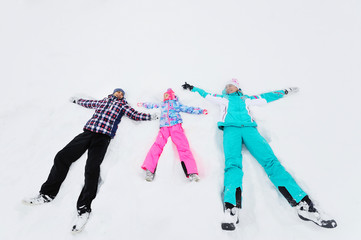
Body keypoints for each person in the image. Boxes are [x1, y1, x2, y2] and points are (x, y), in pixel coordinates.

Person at [182, 79, 337, 230]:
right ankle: (231, 208)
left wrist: (285, 91)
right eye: (227, 86)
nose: (228, 88)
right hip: (230, 130)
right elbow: (206, 95)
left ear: (238, 88)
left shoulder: (247, 99)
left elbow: (267, 96)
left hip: (250, 130)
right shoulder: (223, 99)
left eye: (232, 86)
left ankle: (303, 205)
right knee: (232, 165)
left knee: (271, 162)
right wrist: (193, 88)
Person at [23, 88, 158, 232]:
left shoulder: (122, 106)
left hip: (103, 138)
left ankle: (84, 208)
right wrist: (77, 100)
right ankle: (47, 194)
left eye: (121, 93)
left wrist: (150, 117)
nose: (119, 94)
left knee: (92, 168)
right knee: (62, 156)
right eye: (117, 92)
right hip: (87, 133)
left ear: (123, 97)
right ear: (112, 93)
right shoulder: (103, 101)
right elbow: (89, 103)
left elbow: (135, 115)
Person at [138, 88, 207, 182]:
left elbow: (188, 109)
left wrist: (201, 111)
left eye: (167, 95)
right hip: (164, 127)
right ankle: (149, 170)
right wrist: (143, 104)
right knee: (157, 145)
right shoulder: (162, 104)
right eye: (164, 95)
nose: (165, 97)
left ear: (172, 96)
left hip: (176, 127)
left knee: (183, 147)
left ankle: (192, 172)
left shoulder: (176, 104)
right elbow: (153, 105)